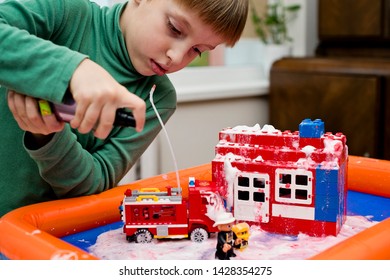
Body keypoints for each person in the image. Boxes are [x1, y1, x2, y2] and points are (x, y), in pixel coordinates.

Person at [0, 0, 249, 217]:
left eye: (198, 50)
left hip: (34, 237)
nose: (177, 57)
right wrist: (73, 69)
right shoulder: (65, 11)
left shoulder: (158, 97)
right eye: (174, 28)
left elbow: (93, 184)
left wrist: (47, 136)